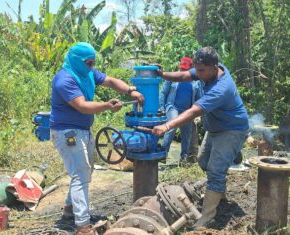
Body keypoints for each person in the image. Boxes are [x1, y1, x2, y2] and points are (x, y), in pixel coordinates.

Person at [50, 42, 144, 235]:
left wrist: (130, 91)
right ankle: (82, 226)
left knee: (84, 171)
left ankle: (70, 210)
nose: (92, 67)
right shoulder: (64, 80)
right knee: (81, 174)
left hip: (82, 129)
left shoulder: (87, 73)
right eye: (89, 63)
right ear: (77, 61)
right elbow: (82, 106)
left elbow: (110, 81)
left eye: (93, 63)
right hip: (67, 132)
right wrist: (108, 105)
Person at [152, 47, 249, 228]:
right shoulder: (208, 71)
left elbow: (195, 110)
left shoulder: (222, 88)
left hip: (232, 130)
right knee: (203, 161)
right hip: (215, 129)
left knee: (215, 170)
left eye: (201, 70)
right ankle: (221, 183)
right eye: (197, 69)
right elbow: (183, 76)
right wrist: (163, 75)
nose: (198, 74)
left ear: (213, 67)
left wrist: (167, 125)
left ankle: (207, 217)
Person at [159, 57, 203, 163]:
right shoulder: (172, 77)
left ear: (191, 68)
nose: (183, 70)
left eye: (185, 69)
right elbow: (163, 92)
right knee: (172, 126)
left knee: (186, 134)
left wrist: (198, 114)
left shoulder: (196, 82)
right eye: (182, 68)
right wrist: (161, 108)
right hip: (172, 107)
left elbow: (200, 98)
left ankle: (183, 158)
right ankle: (163, 154)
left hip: (187, 110)